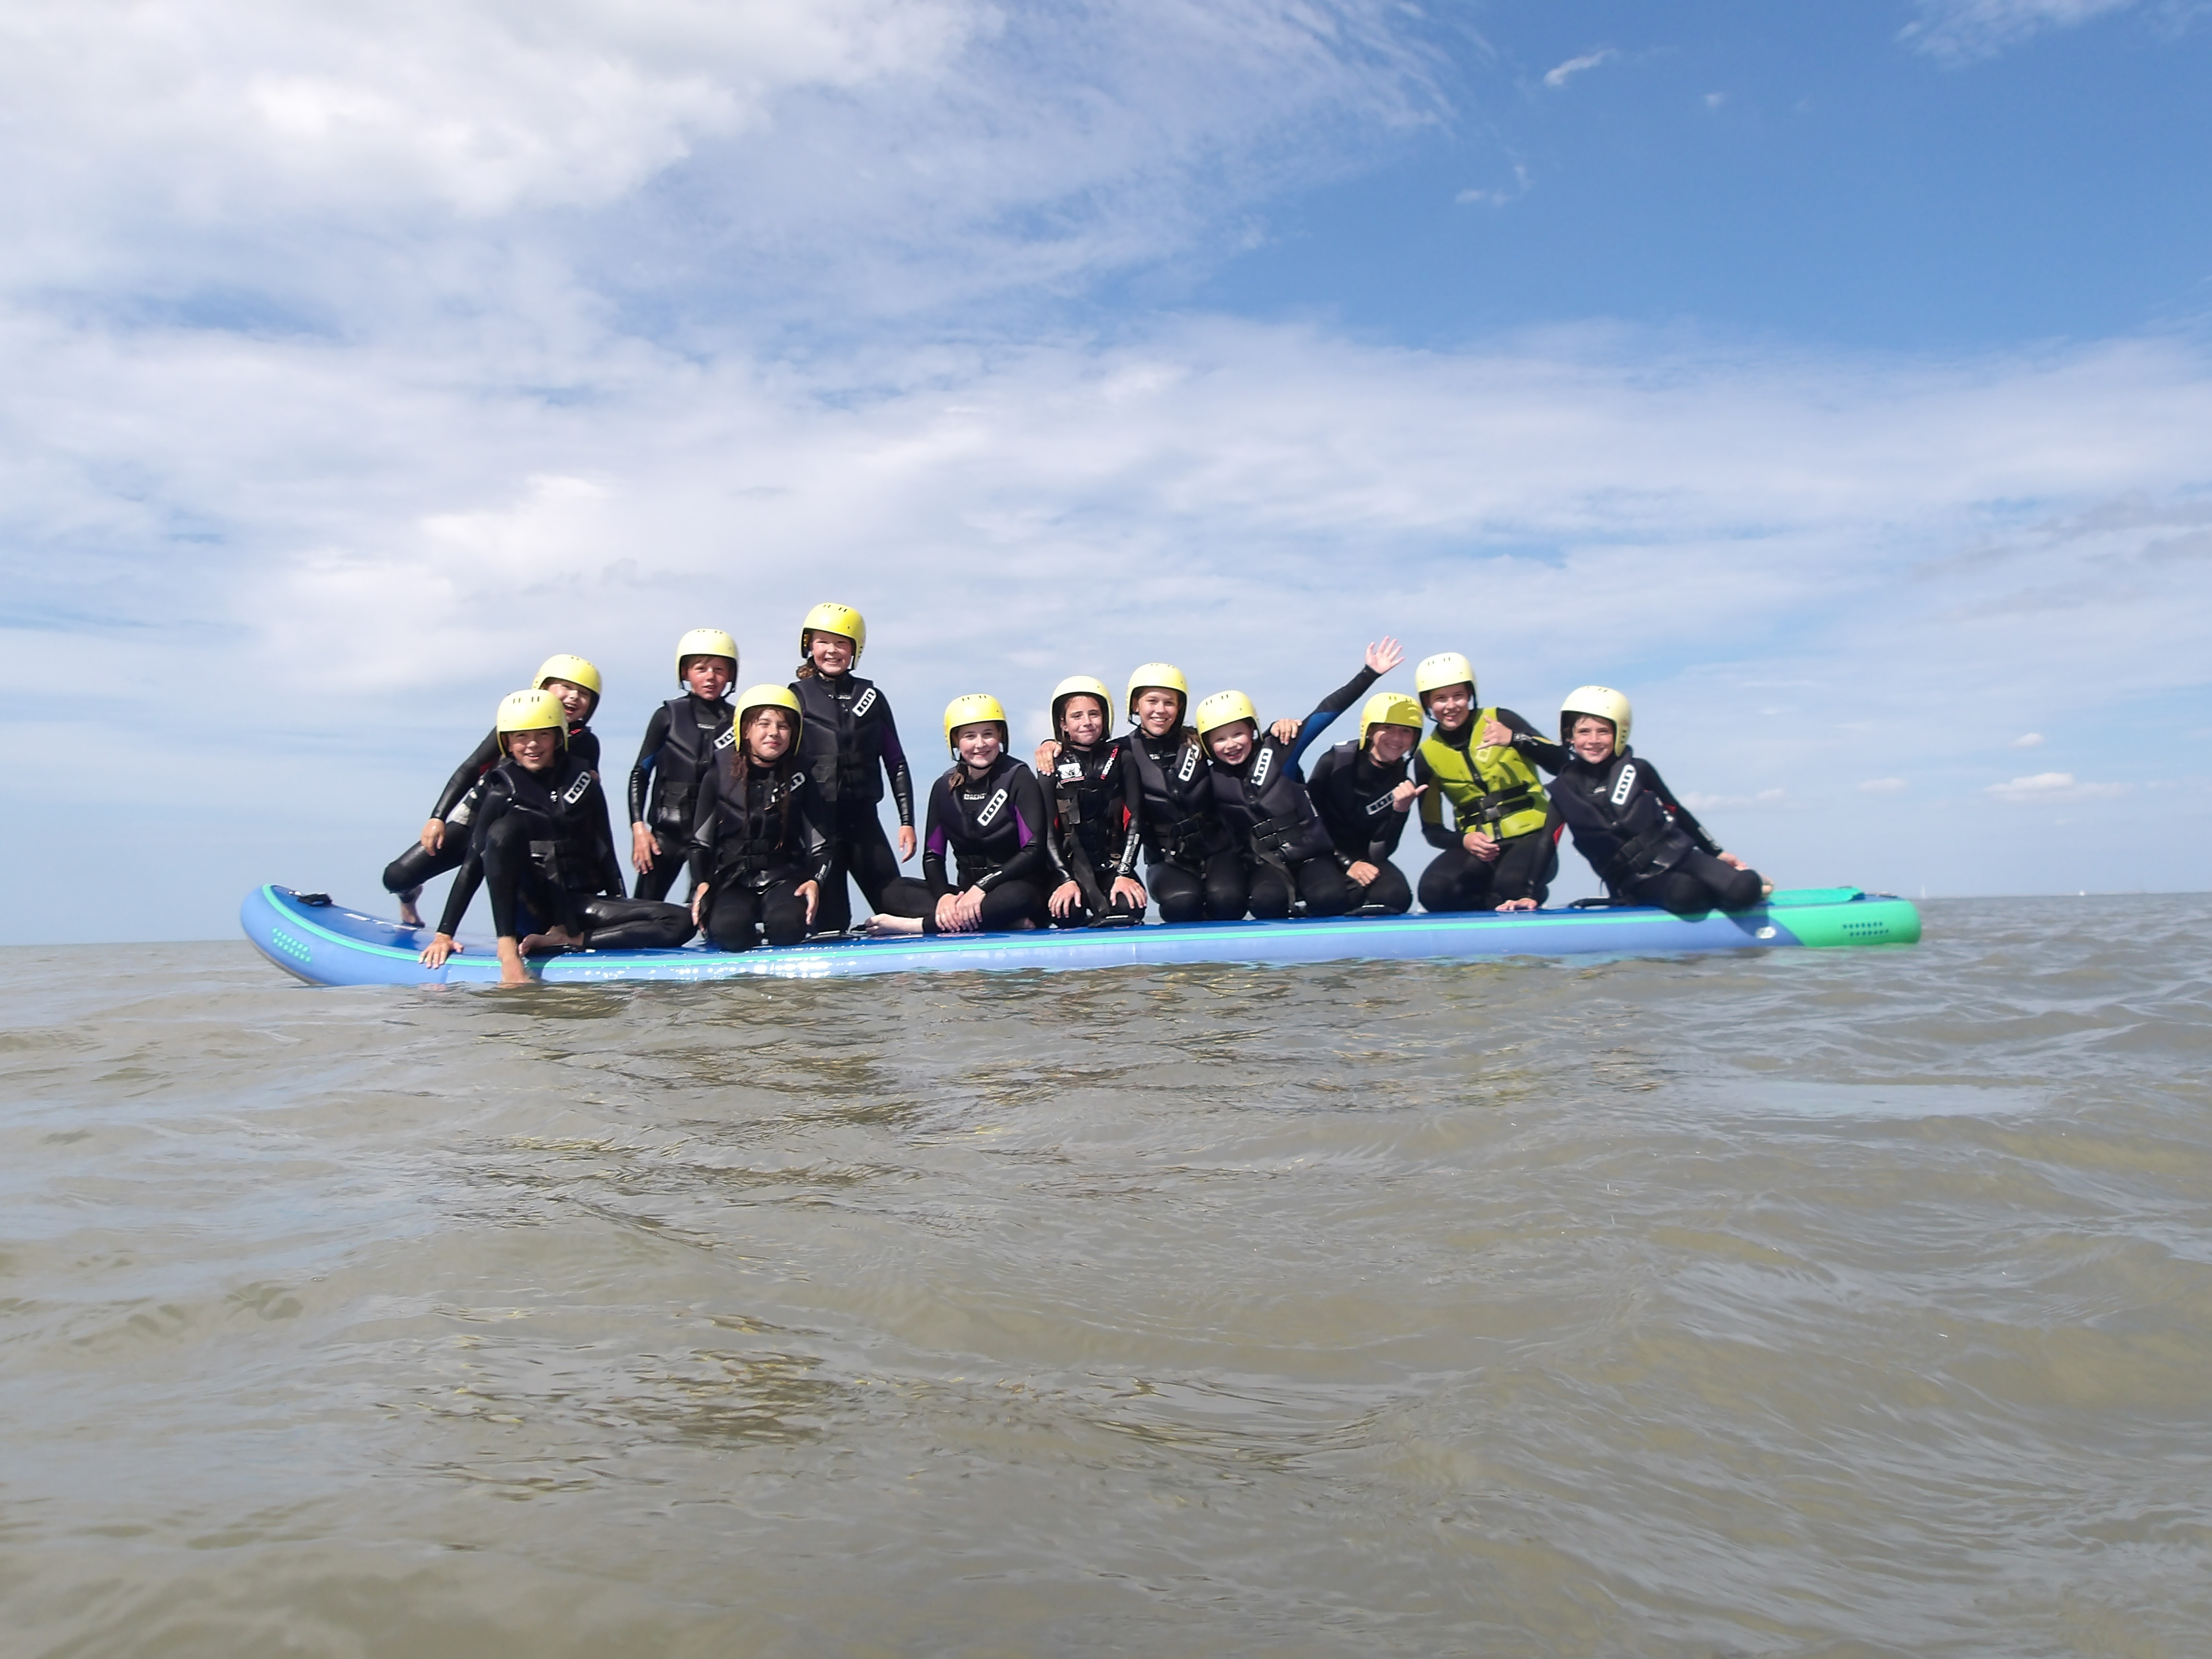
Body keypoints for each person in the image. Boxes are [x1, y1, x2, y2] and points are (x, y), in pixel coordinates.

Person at [421, 689, 695, 984]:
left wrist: (622, 908)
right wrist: (444, 934)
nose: (532, 745)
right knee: (503, 830)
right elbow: (473, 864)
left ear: (559, 737)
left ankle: (568, 940)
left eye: (543, 735)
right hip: (530, 908)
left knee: (679, 921)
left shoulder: (583, 782)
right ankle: (508, 950)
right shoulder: (501, 790)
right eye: (521, 737)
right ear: (507, 743)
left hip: (575, 905)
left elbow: (605, 852)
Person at [382, 654, 604, 926]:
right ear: (542, 688)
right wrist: (438, 817)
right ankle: (409, 896)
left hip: (522, 836)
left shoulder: (586, 744)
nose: (573, 697)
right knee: (396, 877)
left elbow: (584, 802)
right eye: (566, 687)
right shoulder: (512, 726)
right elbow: (472, 767)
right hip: (475, 821)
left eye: (584, 694)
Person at [1550, 685, 1767, 913]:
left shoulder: (1639, 769)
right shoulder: (1564, 790)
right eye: (1584, 732)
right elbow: (1547, 842)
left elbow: (1676, 811)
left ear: (1619, 733)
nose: (1593, 740)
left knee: (1745, 888)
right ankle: (1714, 894)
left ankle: (1734, 891)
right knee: (1687, 894)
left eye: (1603, 731)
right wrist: (1527, 893)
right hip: (1635, 880)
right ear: (1570, 736)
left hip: (1681, 856)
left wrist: (1716, 852)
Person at [867, 695, 1050, 936]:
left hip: (1013, 888)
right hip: (964, 897)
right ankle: (994, 921)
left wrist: (983, 887)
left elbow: (1033, 849)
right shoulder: (944, 787)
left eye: (988, 734)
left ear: (1001, 736)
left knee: (1020, 897)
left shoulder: (1019, 777)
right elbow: (933, 856)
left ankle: (919, 926)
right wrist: (944, 897)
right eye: (969, 736)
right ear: (954, 741)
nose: (980, 744)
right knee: (892, 891)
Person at [788, 602, 917, 934]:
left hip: (864, 823)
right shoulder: (794, 697)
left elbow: (896, 761)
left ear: (855, 650)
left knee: (896, 906)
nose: (832, 651)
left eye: (842, 643)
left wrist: (906, 822)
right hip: (818, 826)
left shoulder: (871, 697)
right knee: (831, 922)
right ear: (809, 646)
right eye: (823, 642)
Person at [1410, 650, 1563, 913]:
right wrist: (1465, 841)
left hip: (1533, 837)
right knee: (1434, 892)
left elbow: (1562, 763)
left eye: (1458, 696)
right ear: (1428, 705)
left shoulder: (1502, 720)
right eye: (1440, 699)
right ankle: (1494, 903)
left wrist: (1515, 739)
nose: (1451, 706)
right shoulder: (1426, 756)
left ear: (1470, 695)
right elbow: (1432, 831)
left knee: (1511, 885)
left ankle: (1521, 893)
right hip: (1482, 848)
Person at [688, 686, 831, 952]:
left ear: (794, 734)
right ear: (745, 730)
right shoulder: (717, 775)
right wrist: (702, 885)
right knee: (728, 932)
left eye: (783, 726)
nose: (774, 733)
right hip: (733, 881)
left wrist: (815, 881)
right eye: (763, 724)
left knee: (788, 927)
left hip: (783, 879)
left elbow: (821, 846)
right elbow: (700, 843)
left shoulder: (802, 778)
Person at [1114, 663, 1242, 923]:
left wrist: (1279, 728)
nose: (1161, 710)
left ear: (1180, 707)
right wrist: (1050, 747)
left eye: (1169, 703)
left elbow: (1245, 749)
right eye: (1152, 701)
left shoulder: (1200, 741)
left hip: (1218, 852)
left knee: (1229, 901)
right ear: (1136, 705)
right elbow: (1080, 761)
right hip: (1167, 861)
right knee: (1182, 904)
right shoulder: (1120, 753)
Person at [628, 628, 739, 902]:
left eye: (719, 669)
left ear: (731, 675)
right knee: (644, 908)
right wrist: (639, 829)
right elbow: (640, 773)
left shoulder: (739, 721)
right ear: (685, 673)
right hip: (667, 835)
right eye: (701, 669)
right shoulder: (667, 716)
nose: (711, 677)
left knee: (706, 913)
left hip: (714, 838)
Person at [1300, 691, 1427, 914]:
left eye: (1406, 731)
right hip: (1322, 854)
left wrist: (1401, 811)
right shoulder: (1336, 761)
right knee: (1327, 898)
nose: (1396, 739)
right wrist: (1348, 864)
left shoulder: (1402, 784)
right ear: (1369, 730)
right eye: (1387, 728)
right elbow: (1308, 822)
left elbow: (1382, 852)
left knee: (1396, 897)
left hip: (1366, 859)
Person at [1035, 675, 1147, 927]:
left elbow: (1135, 821)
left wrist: (1124, 873)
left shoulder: (1122, 758)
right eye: (1077, 716)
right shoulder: (1050, 764)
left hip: (1112, 866)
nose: (1087, 723)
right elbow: (1046, 832)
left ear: (1105, 718)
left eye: (1094, 714)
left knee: (1131, 908)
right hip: (1070, 870)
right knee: (1067, 915)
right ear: (1063, 724)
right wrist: (1065, 879)